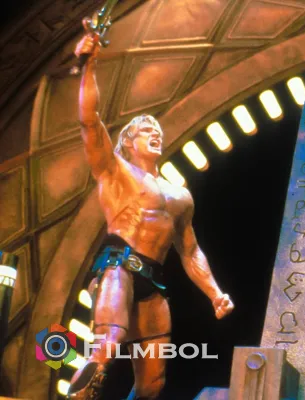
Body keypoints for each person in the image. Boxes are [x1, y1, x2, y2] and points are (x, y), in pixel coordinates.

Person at [67, 20, 234, 399]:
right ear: (128, 142)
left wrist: (215, 293)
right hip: (118, 265)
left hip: (153, 282)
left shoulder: (180, 196)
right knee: (108, 341)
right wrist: (90, 64)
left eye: (158, 129)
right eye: (145, 130)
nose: (155, 132)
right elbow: (89, 120)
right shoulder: (114, 170)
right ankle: (81, 390)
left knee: (153, 383)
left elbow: (190, 251)